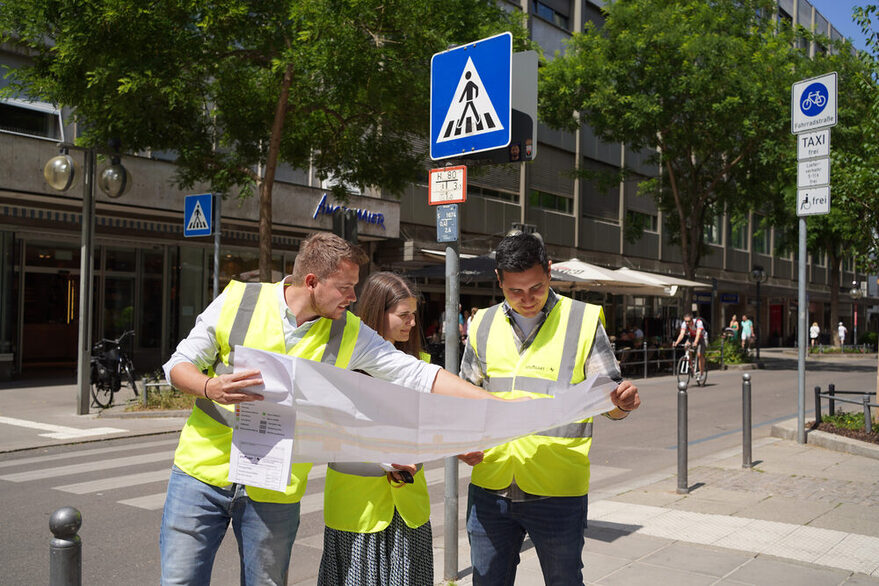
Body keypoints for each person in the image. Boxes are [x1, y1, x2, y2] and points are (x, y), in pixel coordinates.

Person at [159, 232, 508, 586]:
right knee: (180, 581)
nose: (354, 296)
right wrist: (209, 387)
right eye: (345, 287)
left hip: (275, 488)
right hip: (201, 474)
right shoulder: (238, 299)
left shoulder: (350, 332)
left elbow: (417, 372)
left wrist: (493, 404)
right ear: (312, 282)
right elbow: (178, 365)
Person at [457, 232, 640, 586]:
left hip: (557, 490)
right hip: (490, 487)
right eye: (515, 291)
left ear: (550, 272)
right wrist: (462, 442)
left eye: (537, 288)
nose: (527, 299)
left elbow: (610, 401)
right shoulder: (482, 324)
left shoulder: (583, 321)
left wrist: (621, 405)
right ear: (499, 280)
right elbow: (465, 396)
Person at [320, 272, 433, 585]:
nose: (412, 323)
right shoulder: (341, 365)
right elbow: (331, 431)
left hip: (408, 507)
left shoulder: (420, 365)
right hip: (357, 510)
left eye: (414, 315)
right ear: (376, 313)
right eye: (403, 315)